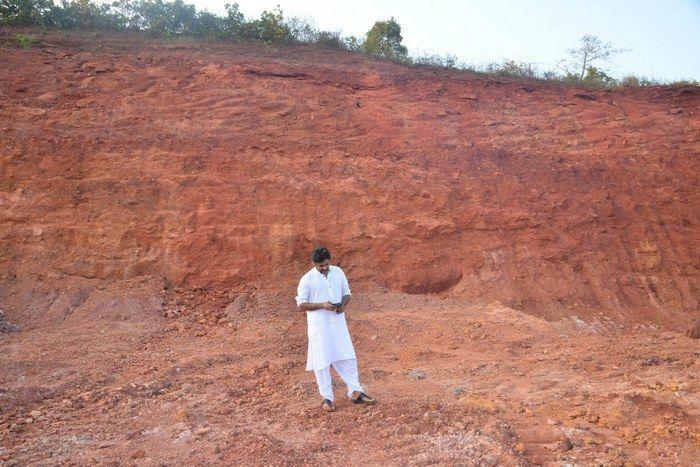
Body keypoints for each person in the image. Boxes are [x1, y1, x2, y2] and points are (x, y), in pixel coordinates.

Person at [295, 246, 376, 411]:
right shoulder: (307, 279)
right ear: (314, 264)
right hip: (319, 327)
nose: (324, 268)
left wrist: (343, 305)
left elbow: (347, 292)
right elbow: (301, 304)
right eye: (321, 266)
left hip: (338, 324)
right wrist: (322, 305)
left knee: (348, 356)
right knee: (322, 362)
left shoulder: (338, 272)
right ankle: (327, 398)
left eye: (326, 264)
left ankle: (355, 392)